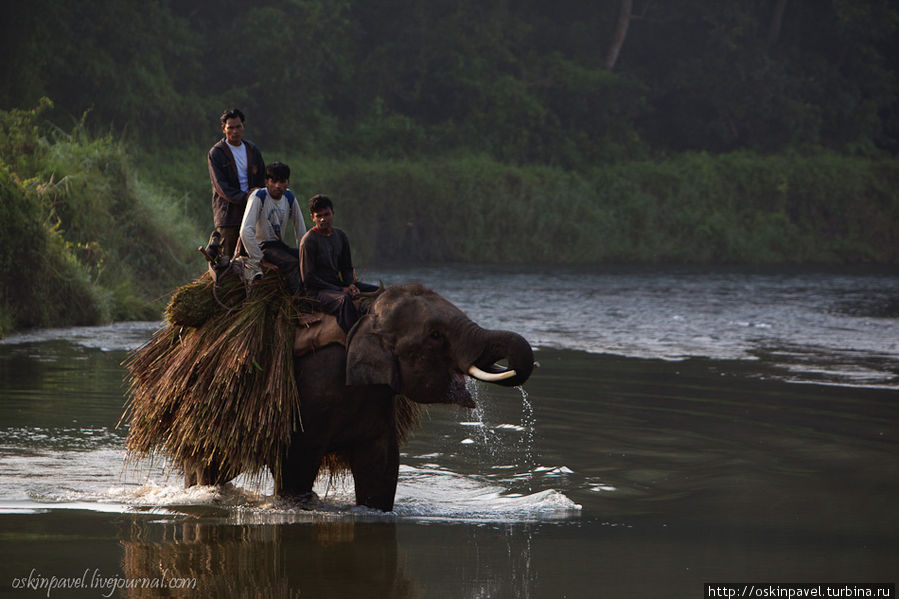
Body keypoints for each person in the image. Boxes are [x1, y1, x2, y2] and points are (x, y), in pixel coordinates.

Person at [299, 194, 378, 332]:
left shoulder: (340, 236)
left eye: (326, 214)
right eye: (319, 216)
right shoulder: (308, 241)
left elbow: (346, 267)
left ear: (333, 213)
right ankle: (353, 336)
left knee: (378, 291)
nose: (323, 219)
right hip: (317, 292)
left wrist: (350, 284)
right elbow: (309, 278)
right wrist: (341, 290)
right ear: (312, 217)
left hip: (337, 285)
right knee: (344, 300)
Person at [239, 162, 305, 295]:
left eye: (282, 181)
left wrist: (304, 252)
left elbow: (300, 228)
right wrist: (260, 259)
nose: (277, 186)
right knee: (292, 264)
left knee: (305, 260)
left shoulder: (289, 197)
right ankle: (298, 300)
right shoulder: (259, 197)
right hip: (263, 246)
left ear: (287, 182)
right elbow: (245, 231)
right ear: (266, 181)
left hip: (278, 246)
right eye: (273, 181)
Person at [208, 108, 265, 257]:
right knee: (228, 259)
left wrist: (256, 195)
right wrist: (245, 197)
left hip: (253, 211)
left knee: (252, 258)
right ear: (223, 129)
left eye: (238, 127)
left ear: (243, 127)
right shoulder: (217, 153)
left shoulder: (252, 150)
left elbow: (262, 178)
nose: (235, 131)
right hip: (229, 215)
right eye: (230, 127)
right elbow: (221, 186)